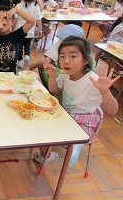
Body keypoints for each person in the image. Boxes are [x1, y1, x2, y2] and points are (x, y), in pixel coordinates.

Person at [34, 36, 119, 166]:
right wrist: (52, 76)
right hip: (66, 114)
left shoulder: (93, 80)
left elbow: (113, 111)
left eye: (73, 56)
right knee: (38, 124)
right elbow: (54, 90)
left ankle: (76, 143)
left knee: (46, 131)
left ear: (86, 59)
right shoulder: (65, 75)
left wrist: (104, 91)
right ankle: (48, 155)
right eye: (62, 56)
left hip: (84, 119)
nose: (66, 61)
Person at [0, 5, 35, 73]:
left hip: (10, 76)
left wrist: (16, 10)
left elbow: (32, 21)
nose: (3, 21)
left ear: (12, 21)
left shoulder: (16, 35)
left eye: (6, 17)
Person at [13, 0, 42, 68]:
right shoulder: (36, 7)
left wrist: (12, 28)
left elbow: (15, 19)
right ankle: (27, 56)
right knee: (28, 45)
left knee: (19, 46)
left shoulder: (18, 6)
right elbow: (38, 19)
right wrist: (40, 30)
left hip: (19, 31)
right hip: (30, 31)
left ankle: (19, 61)